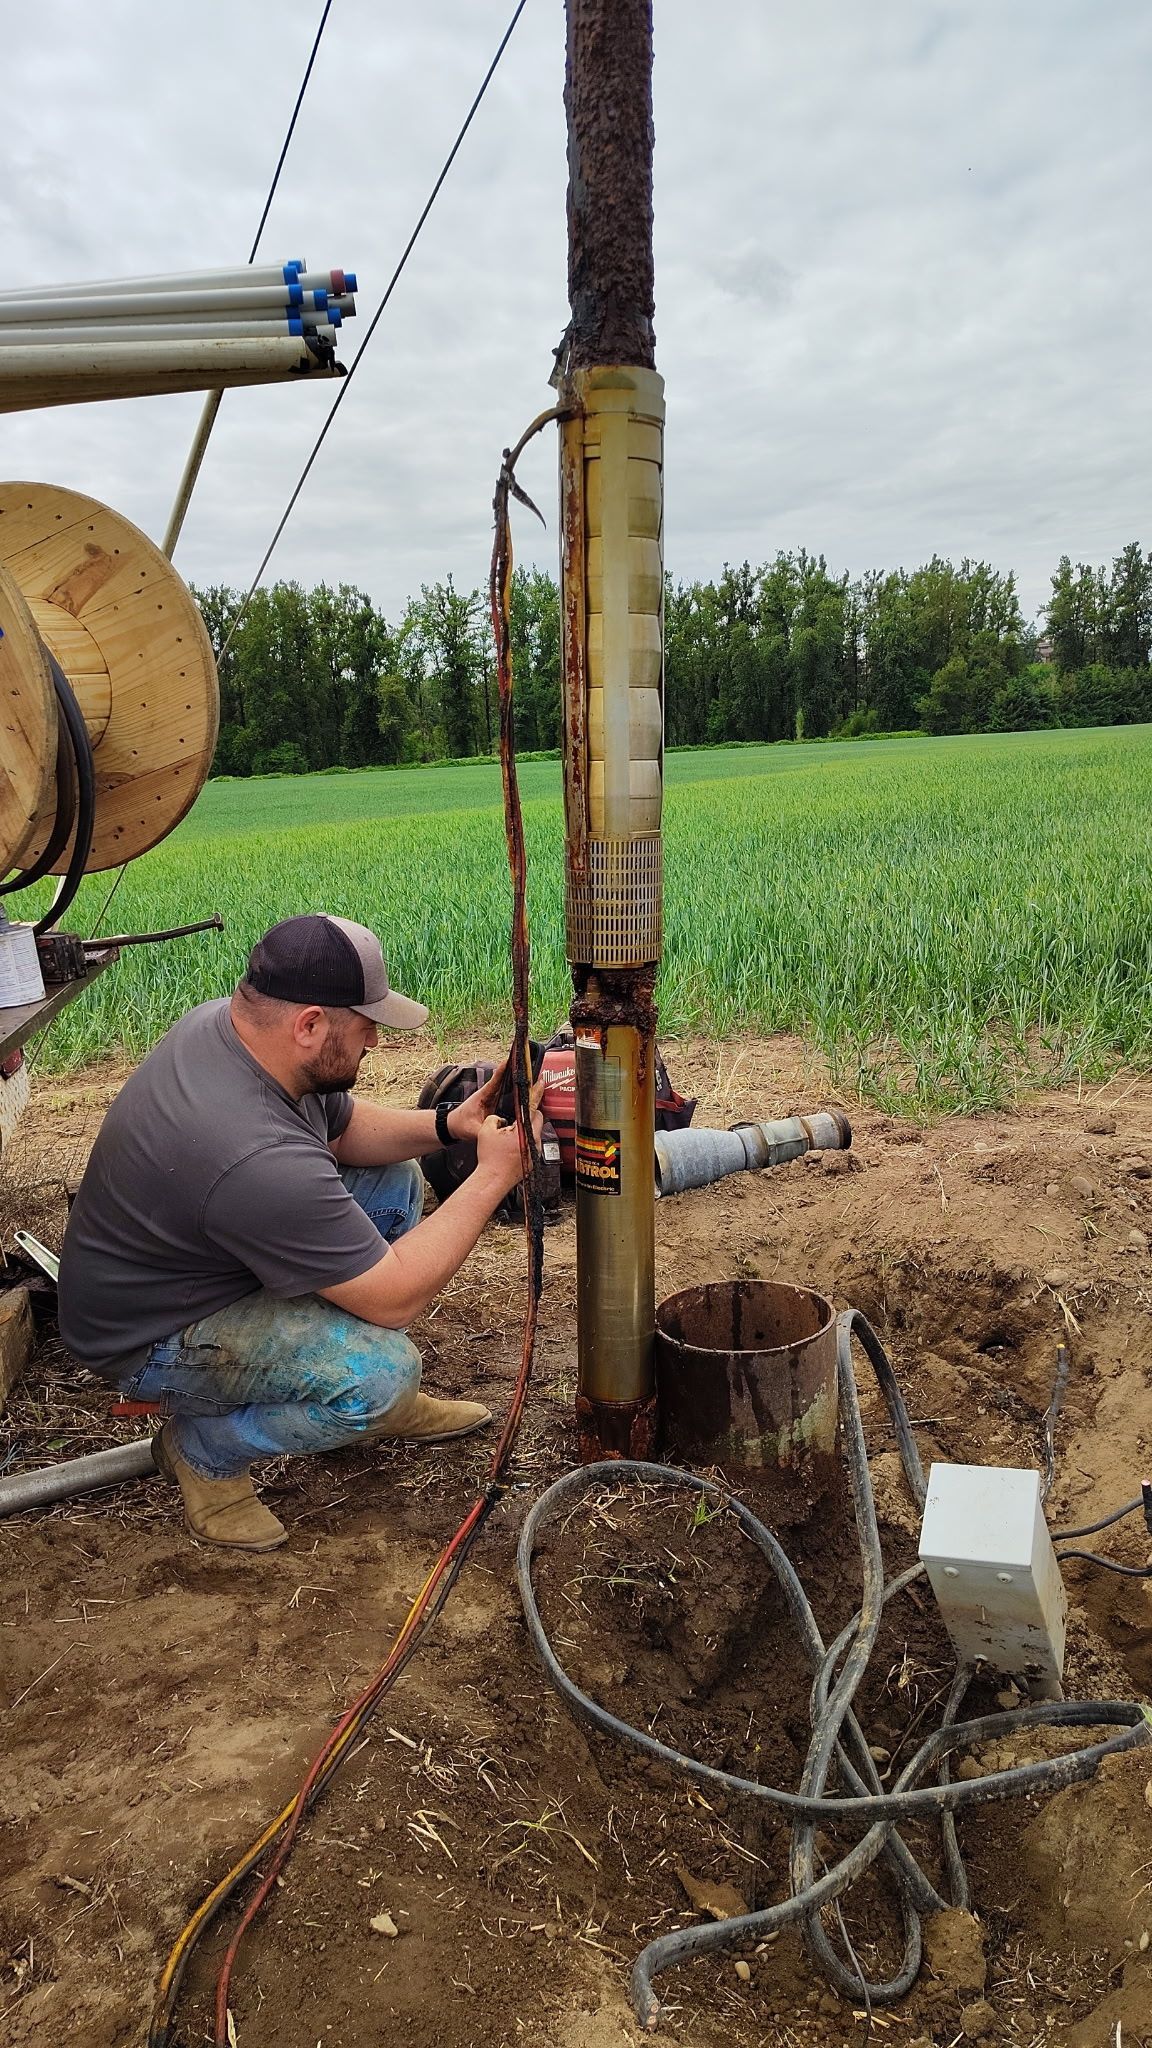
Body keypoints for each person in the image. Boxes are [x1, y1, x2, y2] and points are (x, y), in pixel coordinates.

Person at [57, 914, 541, 1554]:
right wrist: (492, 1179)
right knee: (379, 1374)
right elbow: (396, 1296)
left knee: (392, 1183)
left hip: (198, 1265)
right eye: (366, 1023)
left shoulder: (237, 1030)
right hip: (149, 1337)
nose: (375, 1038)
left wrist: (451, 1124)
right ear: (309, 1024)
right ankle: (203, 1450)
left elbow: (341, 1131)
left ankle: (325, 1367)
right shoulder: (253, 1156)